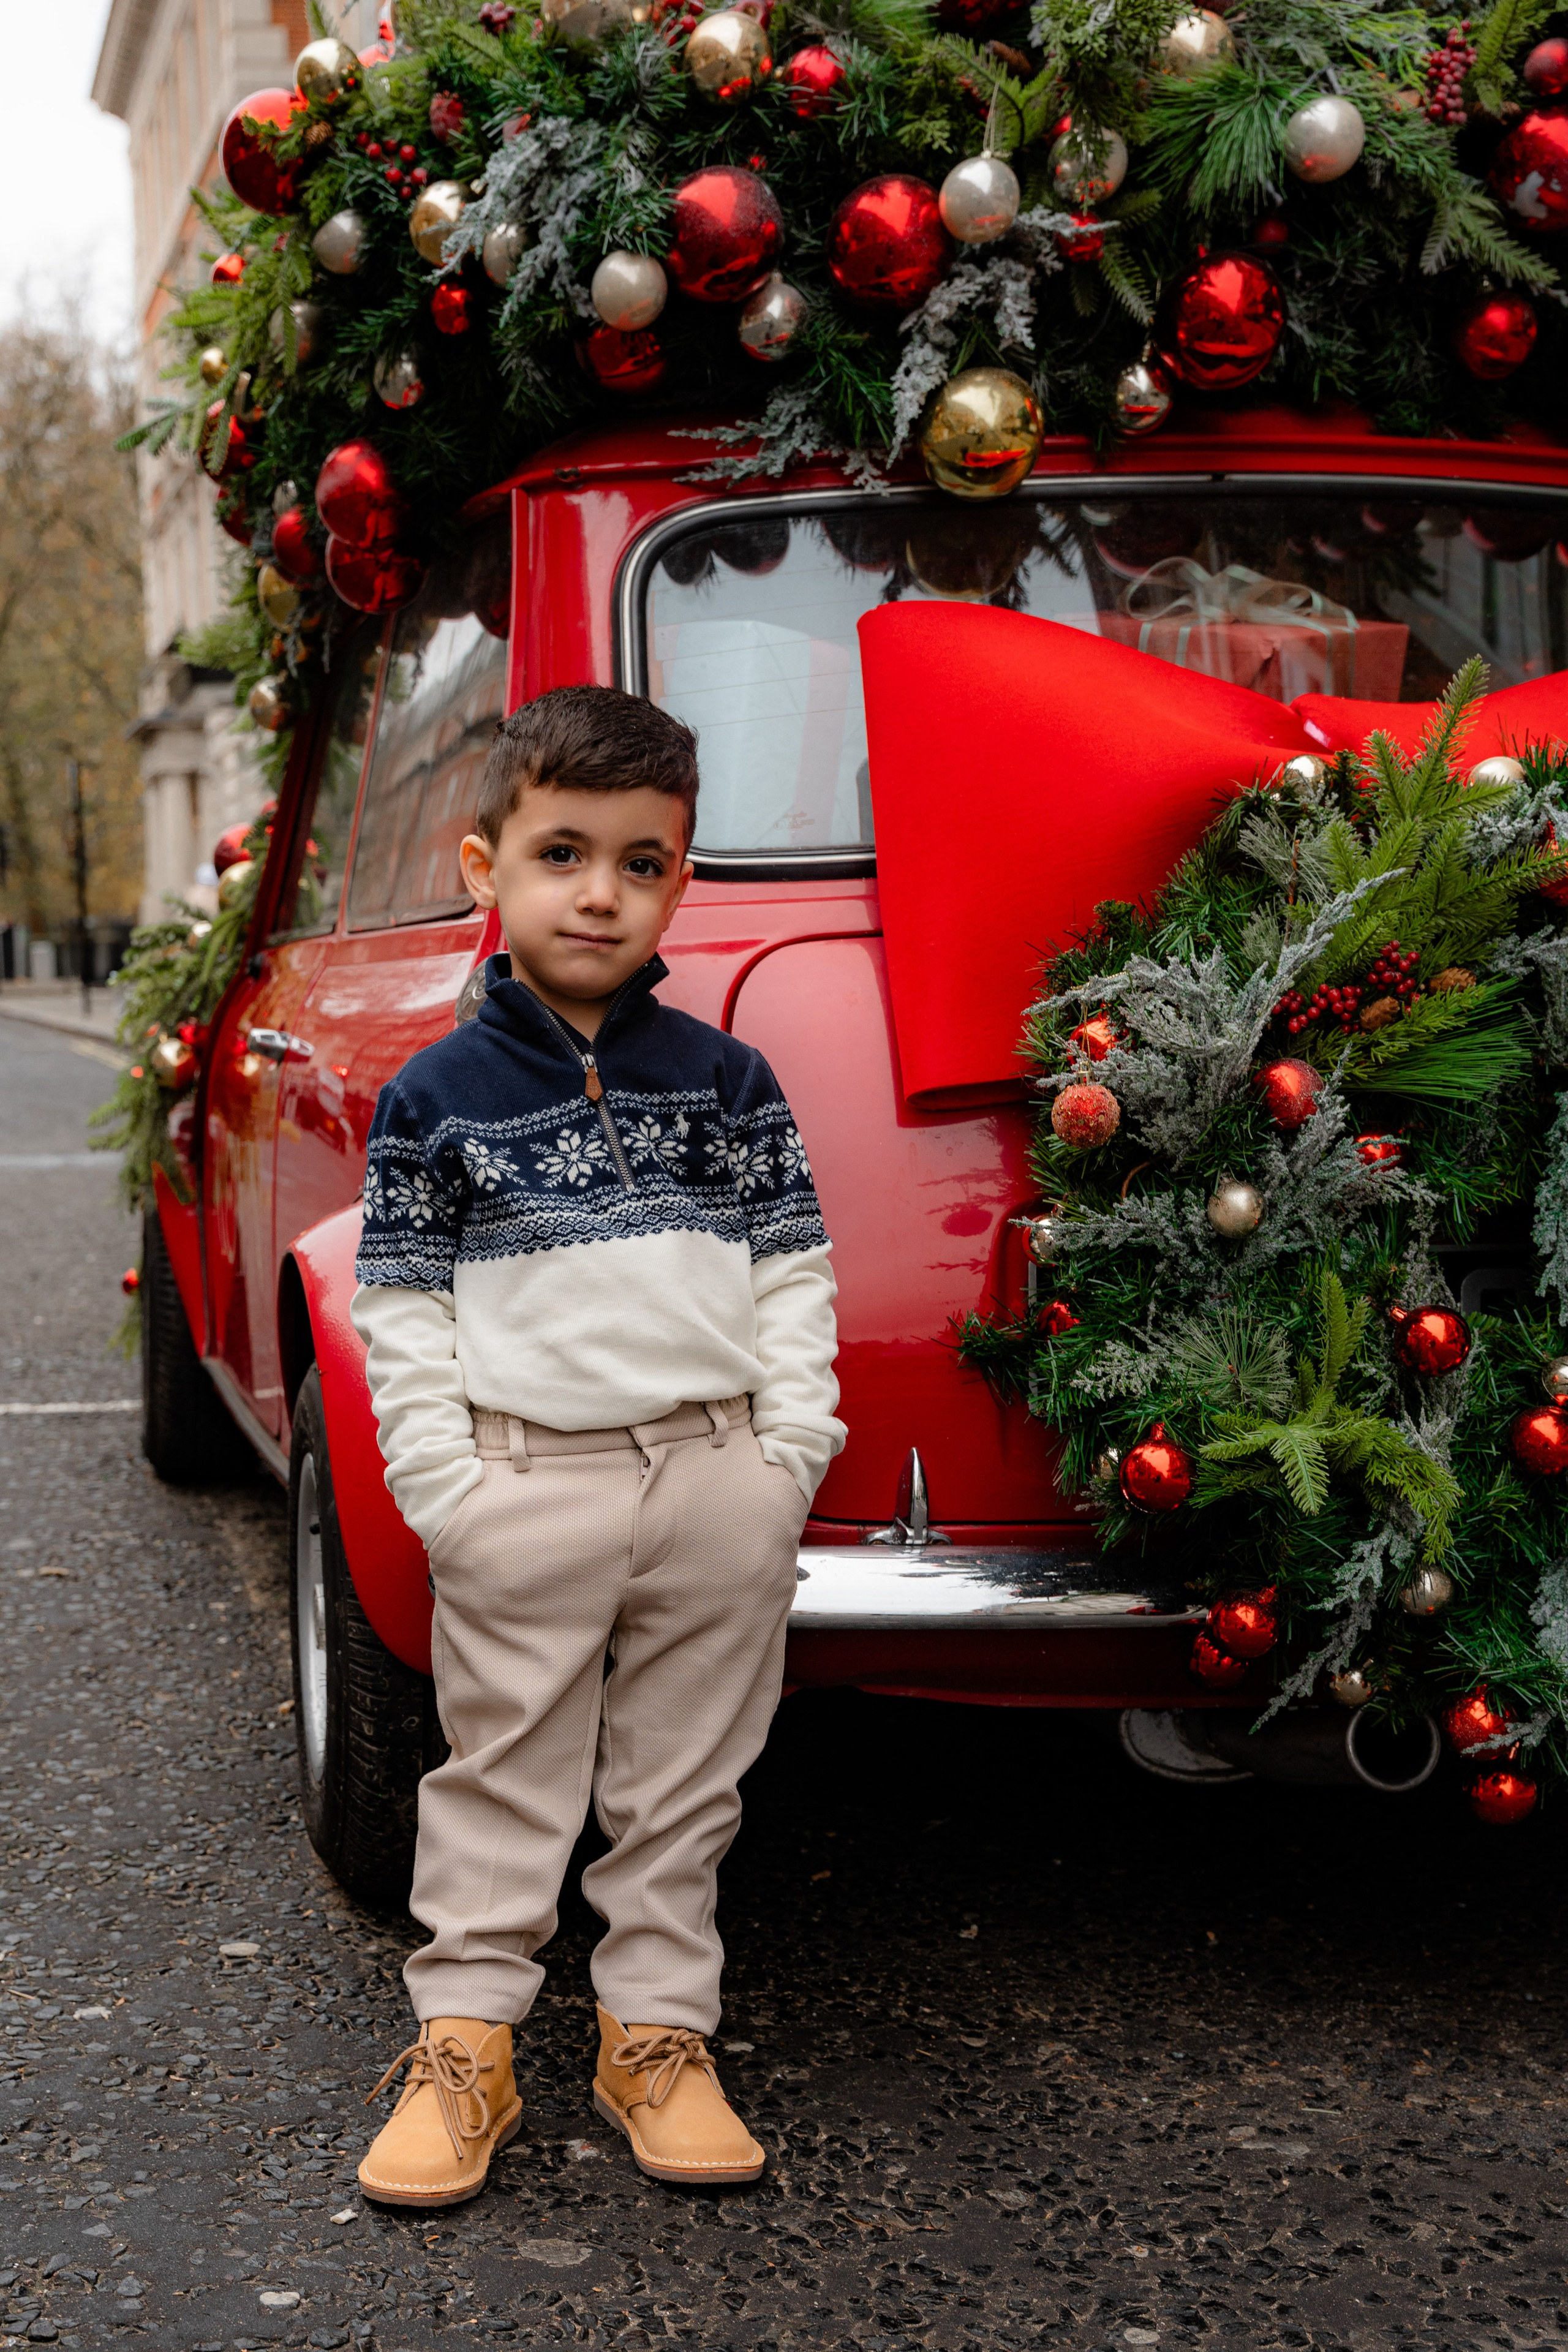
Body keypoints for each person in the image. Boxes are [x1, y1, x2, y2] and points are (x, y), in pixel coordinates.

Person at [349, 684, 845, 2207]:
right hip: (525, 1484)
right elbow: (403, 1310)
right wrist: (448, 1494)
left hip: (714, 1481)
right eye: (563, 853)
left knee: (686, 1786)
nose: (601, 892)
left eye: (642, 862)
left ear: (678, 881)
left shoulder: (726, 1080)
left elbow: (792, 1271)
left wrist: (785, 1460)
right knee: (502, 1776)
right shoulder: (435, 1097)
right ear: (484, 864)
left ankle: (657, 2040)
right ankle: (466, 2045)